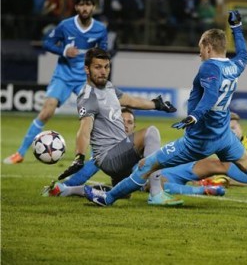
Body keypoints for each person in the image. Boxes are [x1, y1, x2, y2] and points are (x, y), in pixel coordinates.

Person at [84, 11, 247, 215]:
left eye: (200, 47)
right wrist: (237, 28)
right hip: (224, 136)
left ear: (208, 47)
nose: (199, 52)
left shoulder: (209, 67)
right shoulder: (236, 65)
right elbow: (243, 53)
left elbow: (211, 94)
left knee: (146, 164)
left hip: (198, 140)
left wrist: (195, 115)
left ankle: (108, 198)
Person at [61, 47, 183, 206]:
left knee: (124, 193)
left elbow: (130, 101)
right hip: (109, 156)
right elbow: (84, 129)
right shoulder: (88, 97)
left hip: (121, 152)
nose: (103, 71)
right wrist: (79, 157)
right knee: (151, 133)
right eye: (98, 67)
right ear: (87, 69)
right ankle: (156, 193)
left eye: (106, 67)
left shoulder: (109, 87)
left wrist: (156, 104)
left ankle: (70, 190)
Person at [4, 0, 108, 164]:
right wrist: (64, 51)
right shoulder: (65, 25)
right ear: (76, 7)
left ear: (94, 7)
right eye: (81, 4)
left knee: (91, 116)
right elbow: (47, 43)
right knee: (47, 111)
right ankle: (20, 153)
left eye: (88, 4)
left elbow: (104, 53)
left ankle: (94, 157)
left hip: (84, 79)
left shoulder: (100, 29)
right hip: (64, 75)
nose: (84, 8)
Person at [160, 112, 247, 196]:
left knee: (224, 165)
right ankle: (207, 189)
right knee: (159, 184)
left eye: (234, 127)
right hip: (164, 174)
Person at [41, 108, 140, 197]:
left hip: (145, 180)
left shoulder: (137, 143)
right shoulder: (108, 143)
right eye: (122, 121)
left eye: (129, 122)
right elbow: (89, 169)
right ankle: (65, 189)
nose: (125, 125)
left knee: (125, 191)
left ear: (134, 126)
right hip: (129, 183)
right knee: (122, 192)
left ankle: (67, 189)